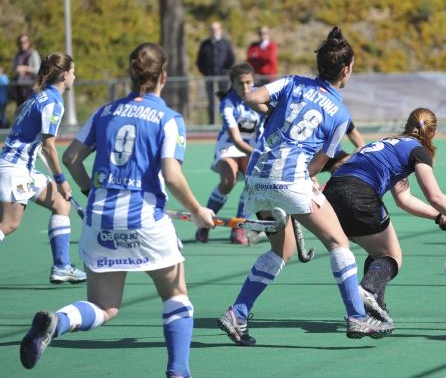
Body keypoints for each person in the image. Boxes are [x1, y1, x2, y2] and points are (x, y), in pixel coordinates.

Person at [18, 42, 215, 375]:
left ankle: (59, 321)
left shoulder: (104, 112)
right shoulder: (168, 117)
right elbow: (172, 173)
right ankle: (178, 372)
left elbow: (70, 159)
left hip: (100, 217)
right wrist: (197, 209)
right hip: (145, 218)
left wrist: (89, 190)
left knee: (103, 306)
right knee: (177, 296)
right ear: (163, 77)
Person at [217, 27, 394, 346]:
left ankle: (238, 314)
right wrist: (308, 177)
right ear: (346, 70)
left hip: (256, 177)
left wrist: (273, 113)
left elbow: (252, 97)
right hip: (290, 178)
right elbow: (321, 161)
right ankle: (357, 317)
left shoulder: (293, 81)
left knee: (280, 250)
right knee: (339, 242)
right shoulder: (340, 114)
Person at [325, 107, 446, 324]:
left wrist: (438, 217)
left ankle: (373, 313)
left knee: (377, 253)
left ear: (407, 125)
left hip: (331, 196)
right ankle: (368, 290)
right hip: (359, 196)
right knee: (393, 256)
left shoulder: (386, 143)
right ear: (433, 133)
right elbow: (436, 196)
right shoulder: (419, 151)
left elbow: (405, 199)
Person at [0, 53, 86, 284]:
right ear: (65, 75)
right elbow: (49, 146)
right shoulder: (54, 102)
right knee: (9, 224)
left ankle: (61, 267)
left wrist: (55, 179)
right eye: (74, 72)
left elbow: (39, 146)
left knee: (61, 204)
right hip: (14, 169)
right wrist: (61, 179)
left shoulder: (38, 96)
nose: (75, 76)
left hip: (23, 168)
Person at [196, 63, 263, 245]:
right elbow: (236, 139)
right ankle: (205, 223)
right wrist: (260, 154)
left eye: (248, 82)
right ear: (233, 84)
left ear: (253, 81)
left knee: (252, 183)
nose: (245, 87)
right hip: (229, 145)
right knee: (228, 181)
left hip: (251, 145)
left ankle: (238, 228)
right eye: (240, 83)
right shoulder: (227, 104)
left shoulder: (261, 95)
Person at [196, 21, 235, 125]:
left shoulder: (225, 43)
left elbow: (231, 59)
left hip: (222, 78)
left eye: (216, 29)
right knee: (211, 101)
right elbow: (199, 61)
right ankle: (211, 123)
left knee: (224, 100)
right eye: (212, 29)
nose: (214, 32)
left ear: (220, 30)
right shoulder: (205, 44)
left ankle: (226, 122)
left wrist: (225, 72)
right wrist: (205, 72)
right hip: (209, 78)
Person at [11, 33, 41, 107]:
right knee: (20, 109)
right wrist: (17, 71)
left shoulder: (33, 53)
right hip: (19, 88)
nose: (23, 44)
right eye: (21, 42)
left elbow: (38, 70)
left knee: (30, 109)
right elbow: (13, 71)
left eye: (25, 42)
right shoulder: (17, 55)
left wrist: (26, 68)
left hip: (31, 88)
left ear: (29, 42)